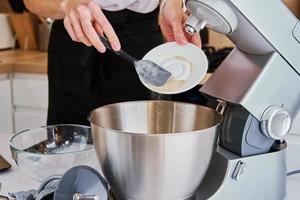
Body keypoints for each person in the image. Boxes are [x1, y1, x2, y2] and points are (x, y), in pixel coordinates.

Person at [23, 0, 201, 125]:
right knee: (72, 142)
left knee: (144, 136)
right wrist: (66, 4)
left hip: (143, 39)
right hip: (78, 36)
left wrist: (169, 4)